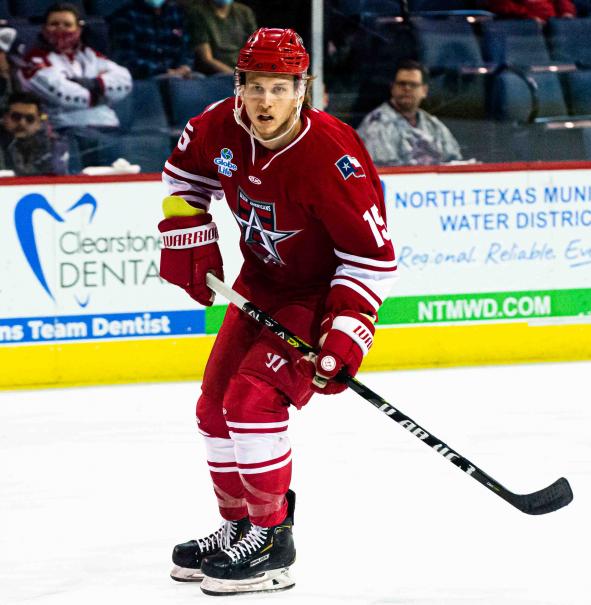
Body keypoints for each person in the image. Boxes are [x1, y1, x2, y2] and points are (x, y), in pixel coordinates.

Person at [158, 27, 398, 595]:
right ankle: (240, 526)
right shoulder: (217, 126)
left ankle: (272, 543)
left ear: (302, 89)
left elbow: (371, 261)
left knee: (251, 401)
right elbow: (182, 182)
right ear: (238, 85)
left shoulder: (334, 156)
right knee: (213, 407)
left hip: (315, 296)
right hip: (260, 284)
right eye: (255, 87)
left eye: (279, 88)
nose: (265, 101)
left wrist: (346, 334)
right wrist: (186, 229)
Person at [17, 3, 132, 169]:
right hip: (65, 130)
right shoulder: (34, 60)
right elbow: (62, 94)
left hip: (107, 127)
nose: (60, 29)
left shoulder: (90, 56)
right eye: (54, 24)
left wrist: (94, 83)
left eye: (67, 24)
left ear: (78, 29)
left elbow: (124, 80)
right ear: (44, 28)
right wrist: (101, 92)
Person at [356, 59, 462, 167]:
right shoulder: (377, 125)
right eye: (402, 84)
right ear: (392, 88)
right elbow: (385, 169)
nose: (407, 88)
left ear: (424, 91)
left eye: (413, 84)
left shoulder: (433, 124)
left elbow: (454, 160)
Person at [109, 0, 194, 79]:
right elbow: (126, 59)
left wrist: (185, 66)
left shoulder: (176, 12)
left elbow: (186, 49)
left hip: (178, 75)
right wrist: (164, 71)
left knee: (197, 80)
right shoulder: (125, 16)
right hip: (146, 78)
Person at [0, 91, 68, 175]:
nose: (22, 123)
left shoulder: (51, 147)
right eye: (16, 117)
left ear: (38, 123)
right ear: (4, 118)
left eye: (29, 119)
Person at [184, 0, 257, 75]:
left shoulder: (244, 12)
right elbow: (207, 58)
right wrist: (236, 75)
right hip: (214, 74)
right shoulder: (198, 13)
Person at [484, 0, 576, 23]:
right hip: (522, 29)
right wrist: (528, 17)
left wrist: (567, 12)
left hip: (553, 24)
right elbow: (501, 6)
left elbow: (563, 2)